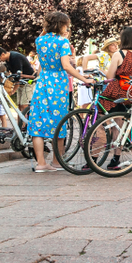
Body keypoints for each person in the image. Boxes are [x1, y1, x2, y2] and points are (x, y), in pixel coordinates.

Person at [30, 12, 91, 172]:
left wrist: (46, 28)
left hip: (42, 82)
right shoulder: (62, 42)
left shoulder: (40, 40)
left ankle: (41, 163)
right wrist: (84, 79)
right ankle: (57, 161)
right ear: (62, 25)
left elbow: (43, 34)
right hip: (57, 85)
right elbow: (66, 66)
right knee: (59, 122)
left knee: (38, 123)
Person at [0, 46, 37, 114]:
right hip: (20, 82)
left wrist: (13, 90)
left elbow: (19, 76)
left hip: (28, 82)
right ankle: (19, 124)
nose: (0, 61)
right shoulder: (7, 60)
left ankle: (25, 124)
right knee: (19, 106)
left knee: (24, 105)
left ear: (3, 54)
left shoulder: (16, 58)